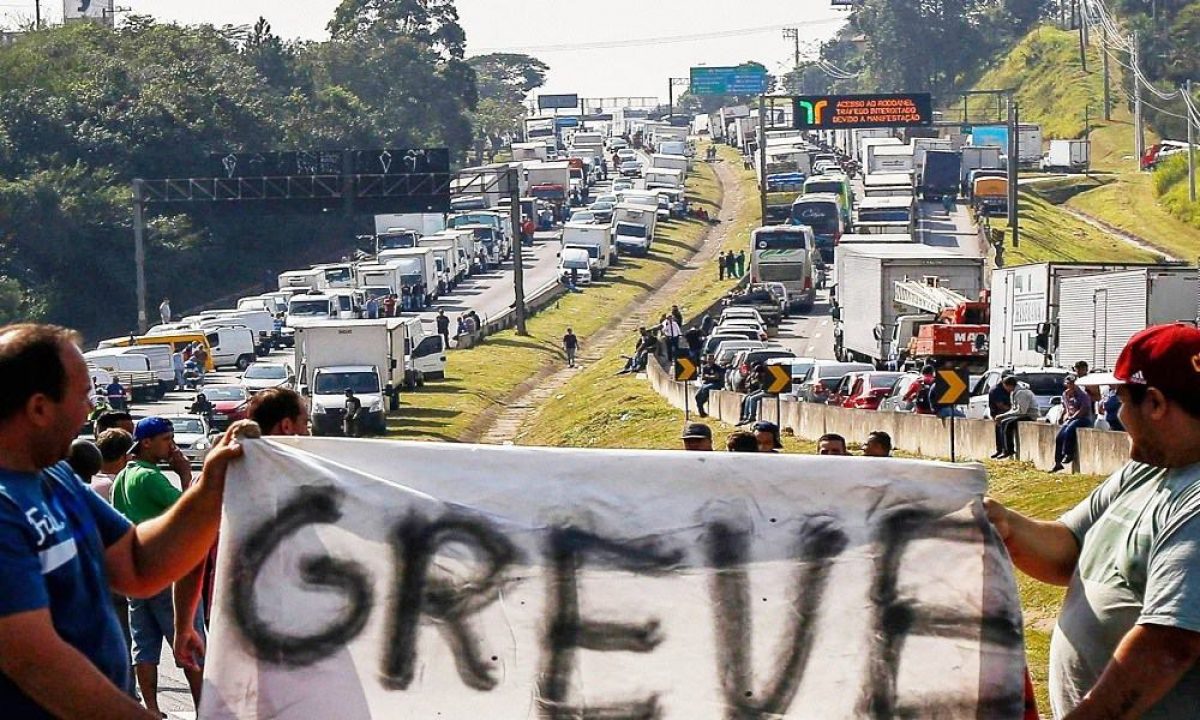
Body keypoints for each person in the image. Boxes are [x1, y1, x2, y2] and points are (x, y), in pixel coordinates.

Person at [0, 324, 246, 717]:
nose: (90, 410)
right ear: (39, 408)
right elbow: (34, 661)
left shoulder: (56, 476)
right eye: (84, 396)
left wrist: (210, 487)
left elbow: (137, 563)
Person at [985, 324, 1200, 718]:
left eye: (1120, 397)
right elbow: (1069, 548)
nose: (1115, 410)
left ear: (1154, 403)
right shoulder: (1148, 469)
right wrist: (1005, 525)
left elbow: (1169, 643)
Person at [111, 417, 205, 716]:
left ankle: (151, 709)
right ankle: (205, 707)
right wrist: (186, 474)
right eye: (166, 439)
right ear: (146, 442)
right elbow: (190, 512)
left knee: (144, 646)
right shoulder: (150, 477)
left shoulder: (124, 476)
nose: (172, 445)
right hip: (165, 574)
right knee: (190, 643)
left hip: (137, 575)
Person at [1052, 374, 1095, 473]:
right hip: (1071, 418)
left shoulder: (1083, 395)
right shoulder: (1065, 394)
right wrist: (1064, 416)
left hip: (1083, 418)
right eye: (1068, 383)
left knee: (1069, 430)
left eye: (1072, 383)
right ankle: (1058, 462)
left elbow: (1084, 409)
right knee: (1059, 437)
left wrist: (1073, 417)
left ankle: (1068, 453)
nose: (1070, 385)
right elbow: (1066, 408)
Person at [992, 376, 1038, 459]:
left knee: (1007, 424)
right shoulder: (1014, 393)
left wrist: (1003, 415)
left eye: (1005, 386)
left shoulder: (1022, 392)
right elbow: (1013, 409)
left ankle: (1009, 450)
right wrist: (1002, 416)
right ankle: (1001, 449)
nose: (1005, 389)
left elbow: (1022, 411)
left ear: (1009, 385)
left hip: (1029, 415)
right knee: (1000, 423)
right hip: (1021, 414)